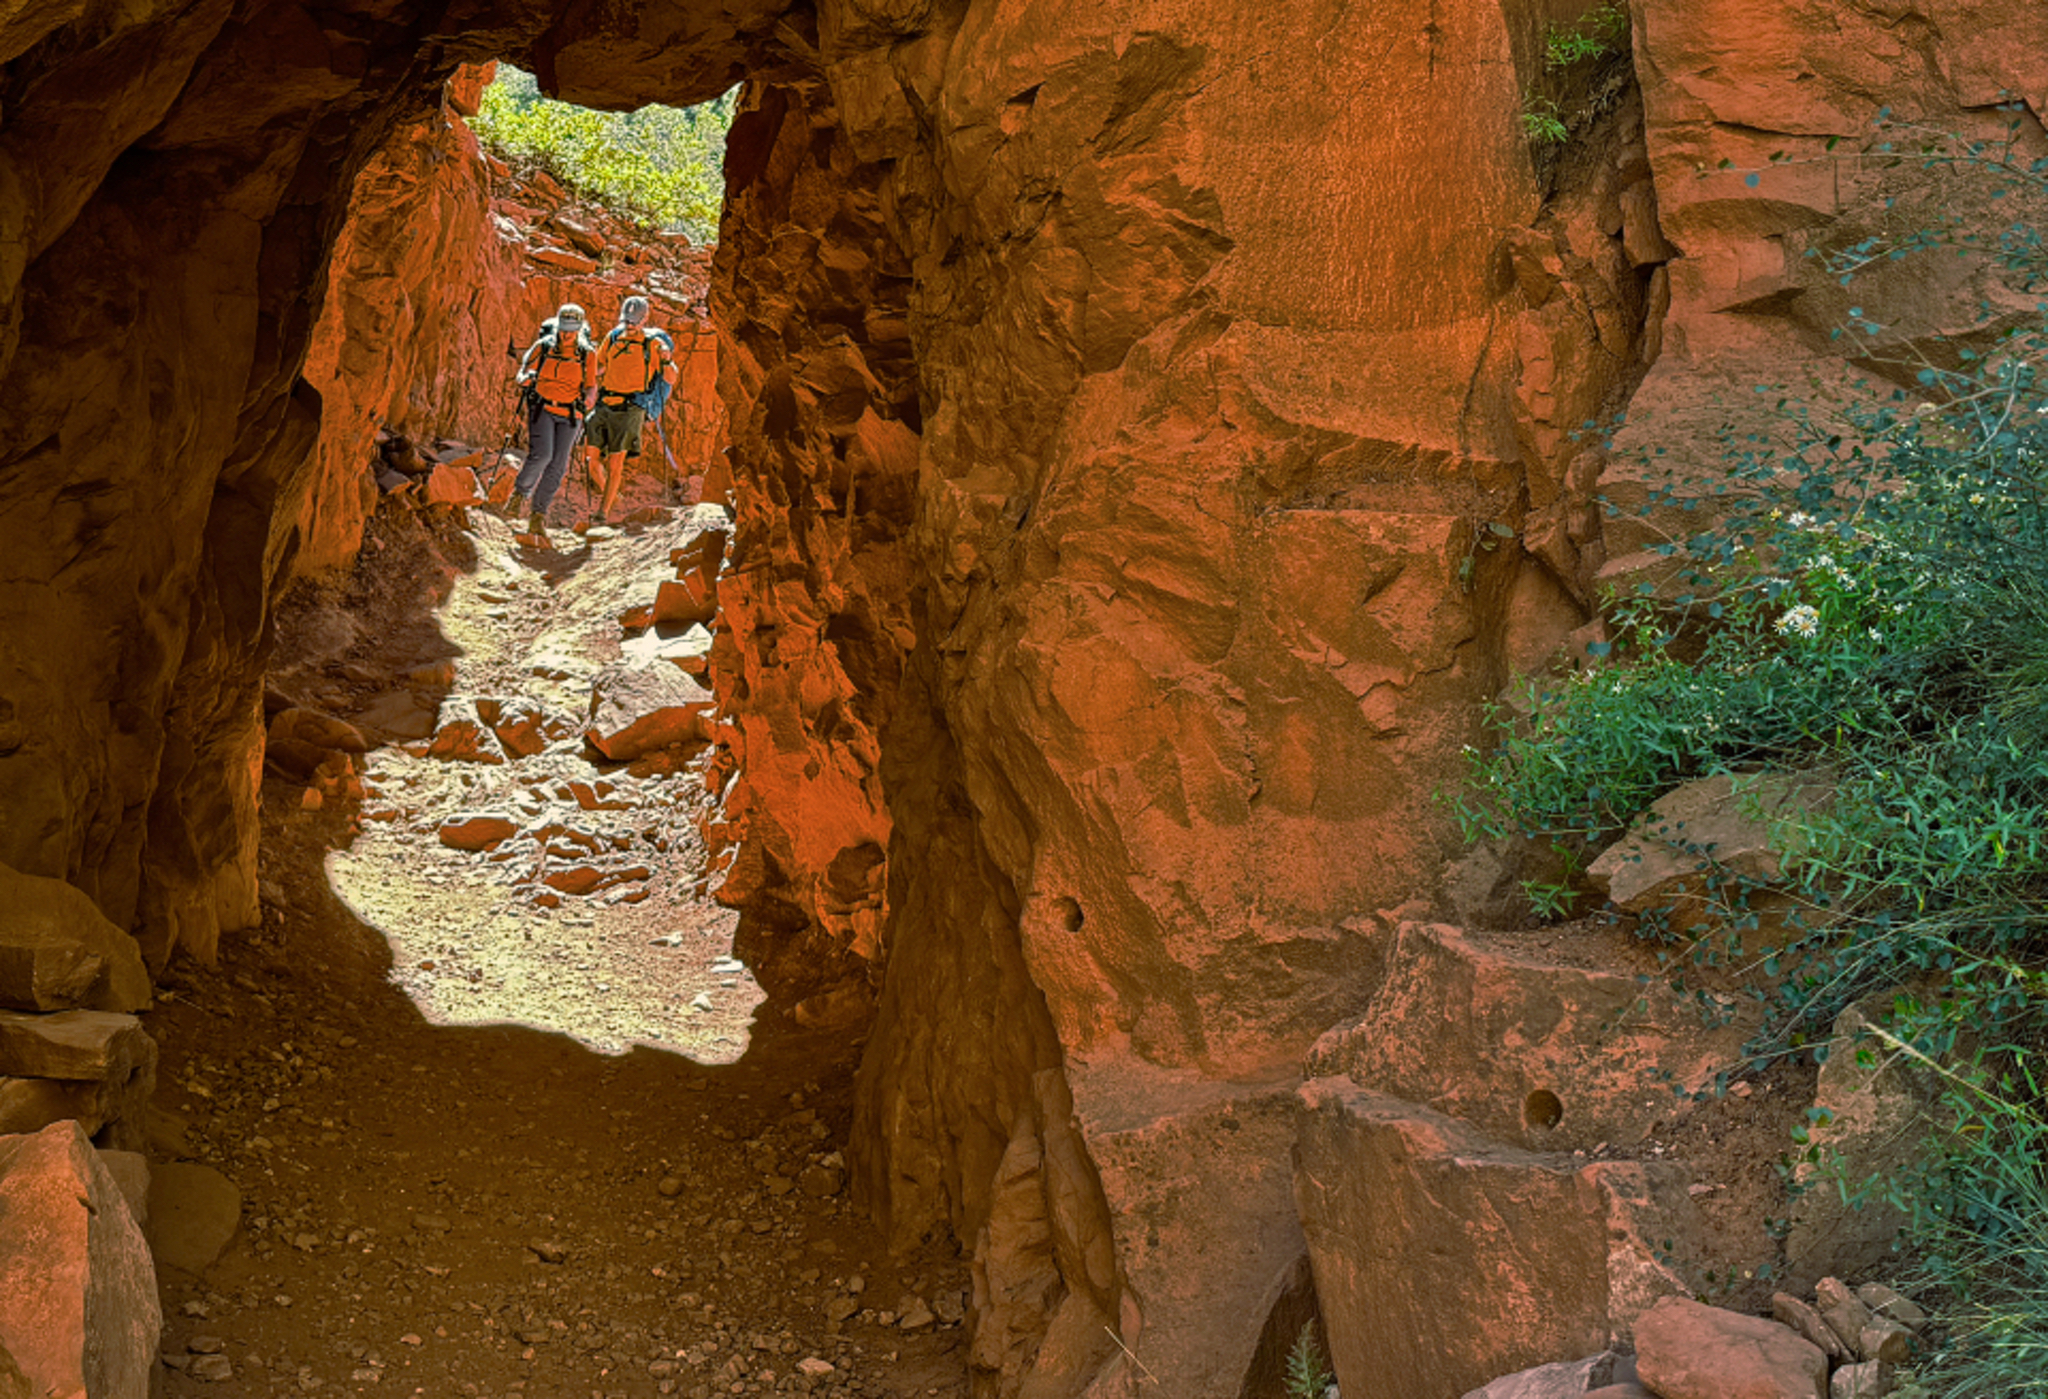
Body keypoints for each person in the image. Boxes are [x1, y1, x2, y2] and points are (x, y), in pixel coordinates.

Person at [584, 295, 677, 523]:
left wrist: (666, 360)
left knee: (616, 463)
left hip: (632, 407)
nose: (631, 325)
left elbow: (671, 377)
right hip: (605, 402)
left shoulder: (653, 344)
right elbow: (601, 366)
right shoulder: (614, 337)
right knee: (591, 460)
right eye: (628, 320)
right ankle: (613, 498)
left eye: (635, 321)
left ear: (645, 318)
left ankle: (603, 513)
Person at [508, 302, 595, 542]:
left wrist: (589, 398)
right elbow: (522, 372)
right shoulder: (543, 347)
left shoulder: (587, 354)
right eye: (563, 329)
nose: (566, 335)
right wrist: (526, 379)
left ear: (579, 330)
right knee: (542, 455)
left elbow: (591, 384)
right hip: (543, 408)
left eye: (571, 330)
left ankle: (538, 516)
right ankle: (520, 493)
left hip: (571, 414)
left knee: (558, 465)